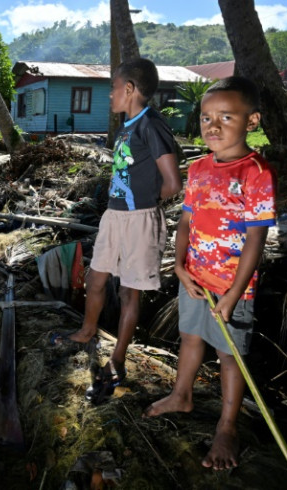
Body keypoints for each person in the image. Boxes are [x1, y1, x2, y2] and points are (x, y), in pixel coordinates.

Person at [143, 76, 277, 471]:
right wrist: (181, 266)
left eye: (226, 117)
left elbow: (255, 240)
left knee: (229, 356)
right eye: (205, 118)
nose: (212, 126)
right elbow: (185, 222)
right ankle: (181, 394)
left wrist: (234, 294)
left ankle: (227, 426)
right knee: (189, 337)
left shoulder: (256, 173)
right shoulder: (199, 168)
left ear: (251, 122)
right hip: (196, 280)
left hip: (233, 287)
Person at [52, 58, 182, 402]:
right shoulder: (127, 126)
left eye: (113, 87)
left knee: (129, 293)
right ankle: (87, 330)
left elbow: (172, 183)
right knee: (95, 279)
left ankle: (118, 359)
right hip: (114, 216)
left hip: (139, 220)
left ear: (130, 89)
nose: (109, 94)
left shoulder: (151, 125)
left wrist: (141, 206)